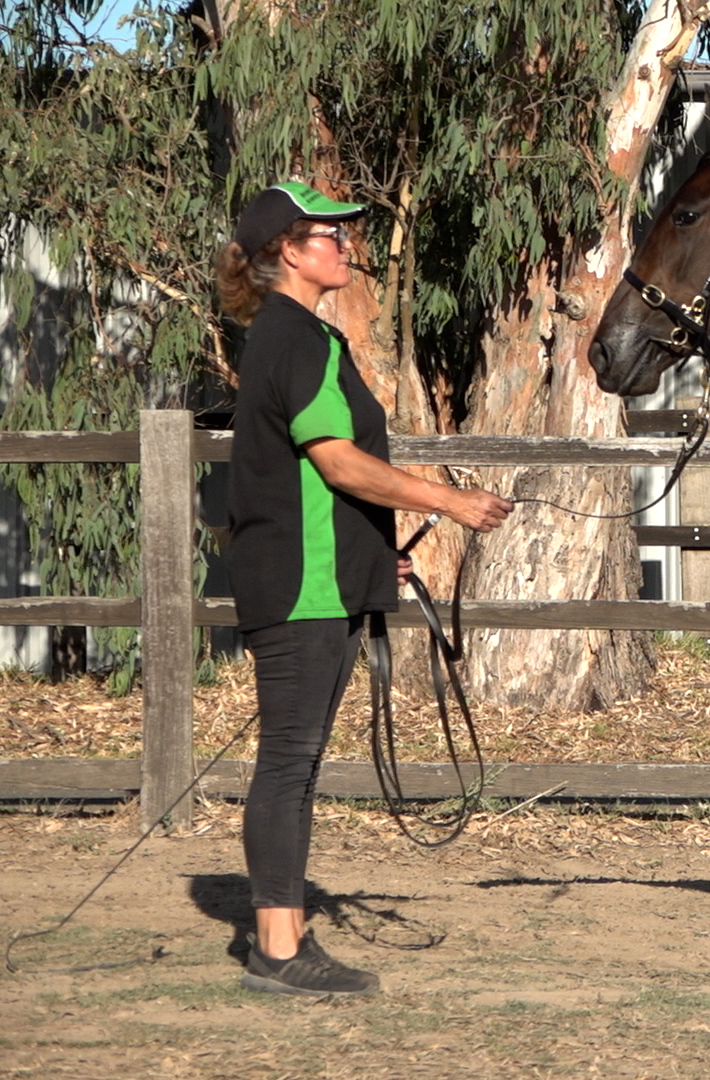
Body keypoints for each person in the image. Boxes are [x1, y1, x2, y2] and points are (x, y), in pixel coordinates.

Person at [215, 181, 514, 997]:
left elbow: (312, 485)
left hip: (320, 579)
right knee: (289, 763)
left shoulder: (298, 335)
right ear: (288, 251)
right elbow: (338, 463)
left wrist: (377, 561)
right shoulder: (295, 338)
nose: (346, 245)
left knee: (297, 763)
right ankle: (278, 952)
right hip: (301, 589)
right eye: (329, 236)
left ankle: (283, 938)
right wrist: (451, 501)